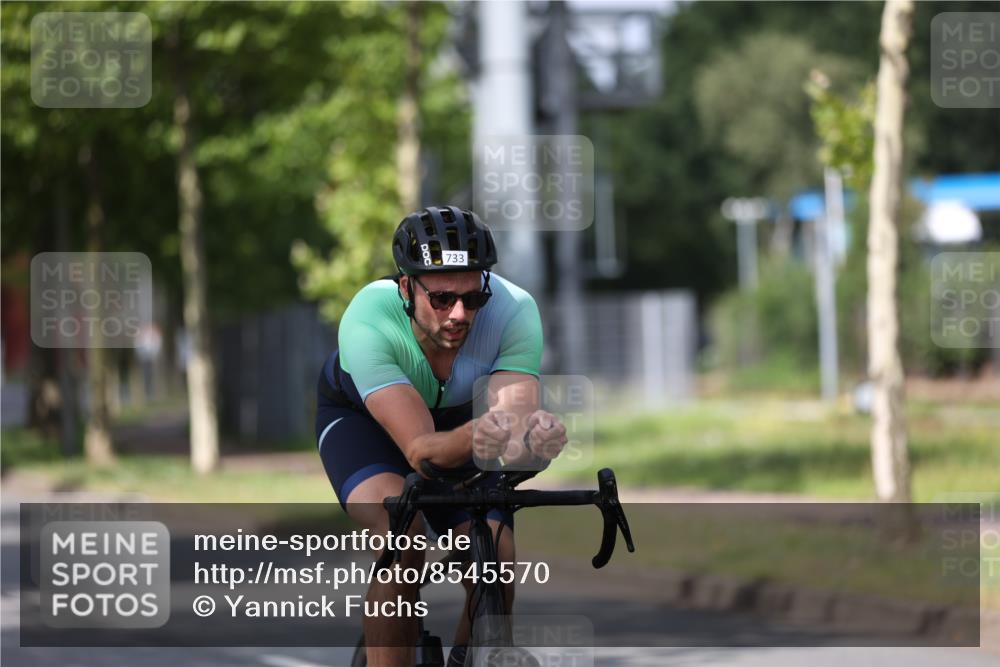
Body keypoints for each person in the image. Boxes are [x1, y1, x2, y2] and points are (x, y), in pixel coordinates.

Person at [315, 205, 568, 667]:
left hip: (462, 427)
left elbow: (510, 428)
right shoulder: (369, 318)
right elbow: (420, 449)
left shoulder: (514, 312)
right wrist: (481, 434)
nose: (458, 314)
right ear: (407, 287)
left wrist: (534, 442)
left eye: (472, 299)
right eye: (442, 298)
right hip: (365, 424)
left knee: (496, 552)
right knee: (404, 539)